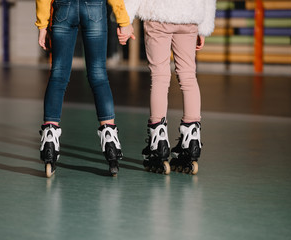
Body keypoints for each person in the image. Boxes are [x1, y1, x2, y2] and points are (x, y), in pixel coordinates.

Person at [35, 0, 135, 177]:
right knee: (98, 76)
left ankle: (50, 139)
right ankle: (110, 142)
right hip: (95, 7)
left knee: (58, 76)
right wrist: (124, 21)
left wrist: (42, 25)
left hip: (64, 8)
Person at [118, 0, 216, 174]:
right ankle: (191, 139)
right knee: (188, 76)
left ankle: (158, 141)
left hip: (158, 13)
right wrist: (204, 26)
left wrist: (125, 20)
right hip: (190, 15)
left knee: (159, 77)